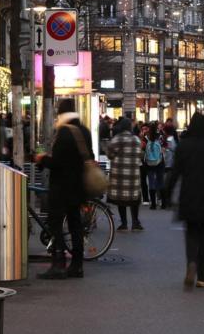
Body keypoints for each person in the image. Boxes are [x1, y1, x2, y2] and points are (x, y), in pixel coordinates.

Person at [164, 112, 204, 289]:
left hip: (188, 195)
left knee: (191, 233)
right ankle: (203, 276)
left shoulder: (184, 145)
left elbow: (175, 172)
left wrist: (168, 194)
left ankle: (191, 262)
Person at [35, 99, 93, 279]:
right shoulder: (84, 131)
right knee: (75, 225)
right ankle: (77, 265)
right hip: (79, 186)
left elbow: (57, 163)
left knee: (56, 224)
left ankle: (58, 263)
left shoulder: (64, 133)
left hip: (61, 188)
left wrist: (42, 159)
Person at [106, 117, 143, 231]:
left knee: (121, 200)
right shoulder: (136, 140)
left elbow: (110, 155)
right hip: (133, 174)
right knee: (134, 199)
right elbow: (140, 155)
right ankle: (136, 222)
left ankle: (124, 223)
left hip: (119, 175)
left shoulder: (116, 140)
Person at [143, 127, 167, 210]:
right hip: (159, 162)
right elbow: (165, 146)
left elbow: (143, 151)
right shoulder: (160, 138)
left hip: (149, 164)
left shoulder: (146, 139)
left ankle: (153, 204)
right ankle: (163, 204)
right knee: (161, 182)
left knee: (151, 182)